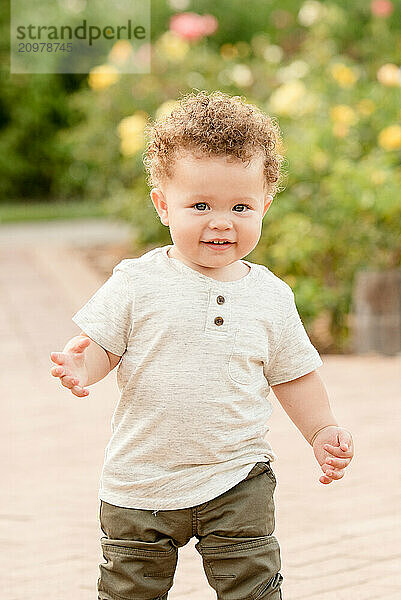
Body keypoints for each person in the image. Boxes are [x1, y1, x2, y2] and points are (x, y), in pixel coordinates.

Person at [50, 90, 354, 600]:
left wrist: (322, 430)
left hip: (237, 477)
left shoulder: (270, 297)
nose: (221, 221)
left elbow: (294, 374)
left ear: (265, 205)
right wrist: (85, 367)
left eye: (241, 206)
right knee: (129, 591)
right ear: (162, 205)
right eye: (200, 206)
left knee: (253, 587)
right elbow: (103, 346)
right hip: (141, 482)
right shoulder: (136, 281)